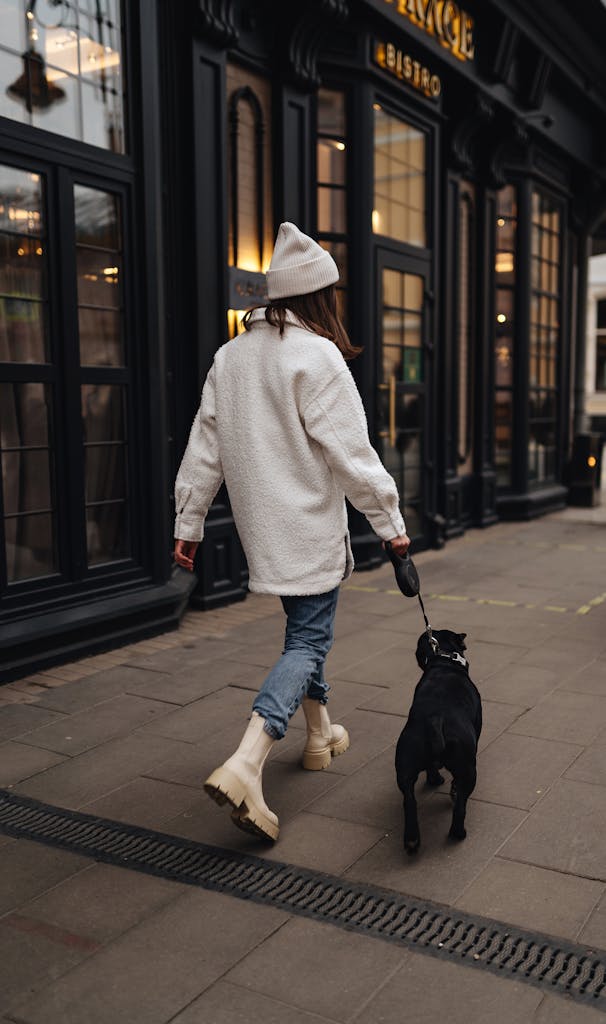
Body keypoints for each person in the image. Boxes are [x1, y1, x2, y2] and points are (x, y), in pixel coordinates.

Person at [173, 222, 410, 842]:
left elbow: (205, 446)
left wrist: (189, 519)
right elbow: (352, 455)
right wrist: (390, 524)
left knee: (304, 629)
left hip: (263, 528)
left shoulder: (231, 356)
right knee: (307, 640)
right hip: (307, 526)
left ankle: (320, 735)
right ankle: (247, 762)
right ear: (319, 297)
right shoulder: (317, 356)